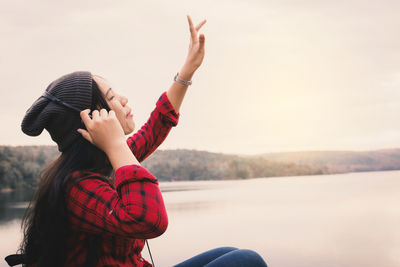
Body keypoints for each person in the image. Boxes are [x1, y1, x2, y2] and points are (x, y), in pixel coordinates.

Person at [5, 15, 267, 267]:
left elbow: (157, 125)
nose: (124, 99)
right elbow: (149, 221)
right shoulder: (77, 186)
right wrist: (117, 145)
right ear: (94, 119)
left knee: (230, 254)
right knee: (247, 261)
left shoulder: (104, 160)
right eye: (112, 97)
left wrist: (188, 70)